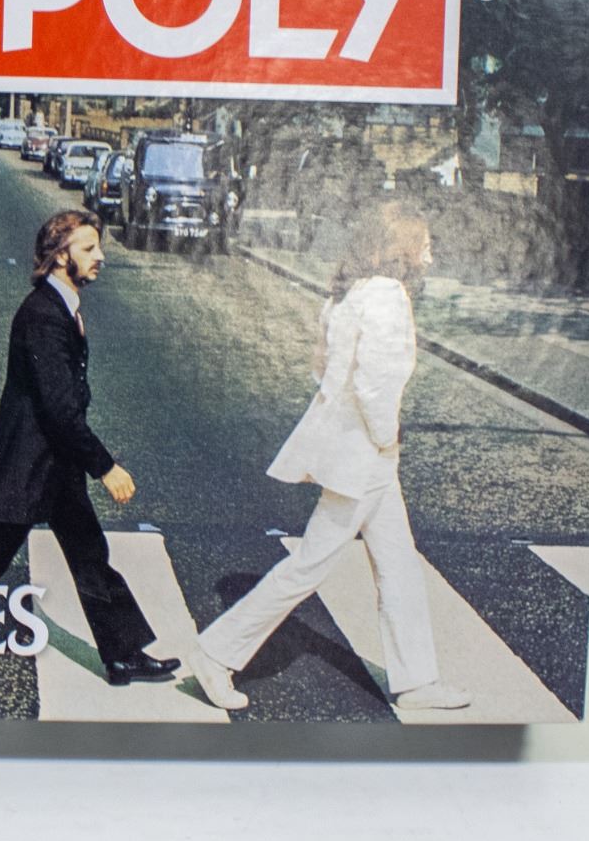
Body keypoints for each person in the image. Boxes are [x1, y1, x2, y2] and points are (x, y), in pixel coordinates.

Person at [187, 202, 471, 712]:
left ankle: (416, 681)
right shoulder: (387, 297)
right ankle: (217, 652)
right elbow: (374, 384)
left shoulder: (349, 293)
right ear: (401, 249)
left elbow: (322, 369)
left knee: (399, 564)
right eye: (424, 244)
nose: (430, 255)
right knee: (309, 566)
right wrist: (386, 438)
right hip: (366, 455)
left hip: (357, 451)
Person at [0, 209, 179, 692]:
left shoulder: (60, 306)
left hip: (53, 465)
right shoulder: (43, 315)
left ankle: (123, 654)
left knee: (90, 554)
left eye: (98, 247)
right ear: (60, 255)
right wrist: (105, 467)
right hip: (29, 468)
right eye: (88, 248)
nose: (100, 256)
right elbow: (59, 409)